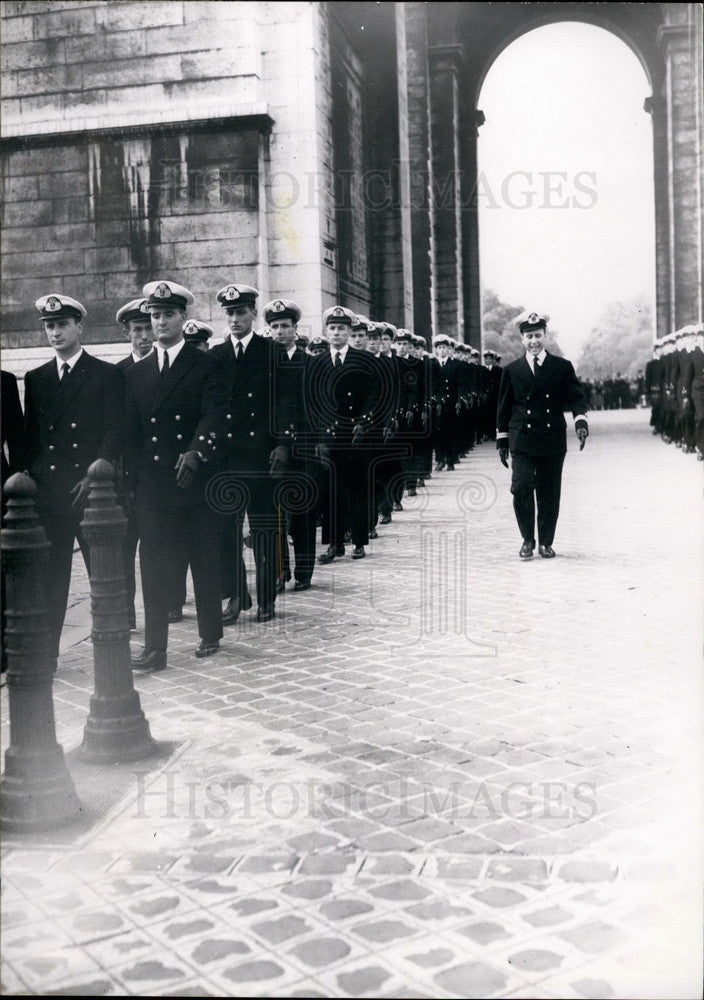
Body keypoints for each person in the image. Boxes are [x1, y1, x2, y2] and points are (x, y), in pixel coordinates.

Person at [124, 280, 226, 670]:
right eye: (154, 315)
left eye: (168, 314)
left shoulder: (205, 364)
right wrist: (131, 480)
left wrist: (197, 451)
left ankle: (210, 632)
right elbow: (131, 431)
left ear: (184, 317)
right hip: (152, 482)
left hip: (194, 477)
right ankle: (155, 648)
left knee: (202, 555)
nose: (160, 322)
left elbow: (215, 413)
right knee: (152, 563)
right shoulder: (137, 373)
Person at [23, 293, 124, 657]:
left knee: (103, 574)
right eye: (49, 326)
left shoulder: (105, 374)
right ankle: (48, 654)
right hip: (50, 492)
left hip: (90, 492)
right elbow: (29, 437)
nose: (55, 332)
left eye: (62, 324)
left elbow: (115, 431)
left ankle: (113, 645)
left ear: (79, 326)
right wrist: (29, 479)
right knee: (52, 576)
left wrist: (96, 476)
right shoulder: (37, 378)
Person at [210, 284, 295, 624]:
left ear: (252, 314)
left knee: (263, 529)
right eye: (229, 313)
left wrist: (284, 444)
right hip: (227, 458)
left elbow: (286, 401)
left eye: (240, 312)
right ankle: (236, 596)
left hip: (262, 455)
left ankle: (266, 599)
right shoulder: (215, 356)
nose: (234, 319)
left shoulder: (271, 351)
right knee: (226, 531)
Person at [496, 310, 588, 559]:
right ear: (522, 339)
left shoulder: (562, 367)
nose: (533, 341)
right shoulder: (512, 370)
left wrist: (580, 422)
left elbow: (577, 398)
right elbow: (503, 408)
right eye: (528, 336)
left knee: (549, 491)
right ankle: (527, 538)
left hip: (551, 439)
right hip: (522, 439)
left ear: (545, 336)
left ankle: (546, 541)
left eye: (537, 335)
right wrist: (502, 440)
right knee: (521, 487)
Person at [307, 305, 382, 563]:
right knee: (331, 491)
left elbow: (376, 395)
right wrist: (318, 438)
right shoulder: (316, 363)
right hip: (329, 435)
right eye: (332, 328)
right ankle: (334, 544)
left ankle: (359, 541)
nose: (336, 332)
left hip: (356, 434)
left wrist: (365, 421)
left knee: (357, 489)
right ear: (327, 331)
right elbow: (312, 402)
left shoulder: (364, 361)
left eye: (341, 328)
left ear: (350, 331)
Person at [265, 298, 318, 592]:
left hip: (303, 448)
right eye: (274, 327)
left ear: (295, 329)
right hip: (274, 449)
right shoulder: (264, 363)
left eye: (285, 326)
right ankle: (280, 569)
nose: (280, 332)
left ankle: (304, 570)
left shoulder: (309, 363)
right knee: (275, 511)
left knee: (302, 511)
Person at [115, 297, 154, 629]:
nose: (144, 335)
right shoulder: (117, 374)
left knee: (158, 546)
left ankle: (167, 601)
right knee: (125, 546)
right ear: (127, 333)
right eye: (136, 330)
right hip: (124, 477)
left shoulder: (169, 367)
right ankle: (126, 611)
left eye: (147, 328)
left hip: (156, 473)